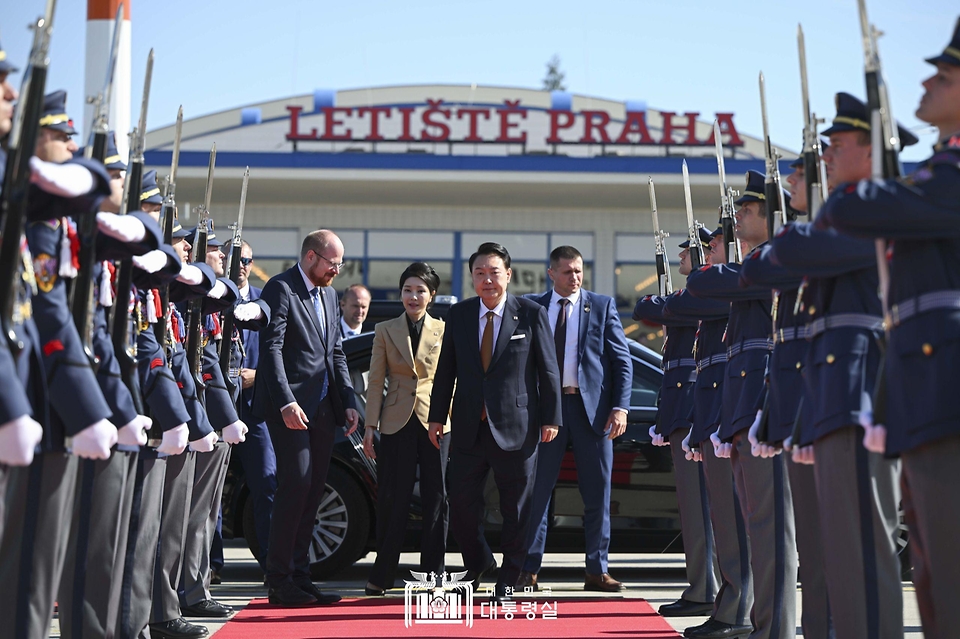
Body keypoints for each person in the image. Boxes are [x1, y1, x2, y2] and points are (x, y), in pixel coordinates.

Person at [824, 20, 960, 637]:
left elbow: (848, 210)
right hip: (920, 395)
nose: (928, 79)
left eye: (947, 74)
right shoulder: (934, 176)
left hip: (944, 394)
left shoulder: (944, 179)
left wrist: (871, 173)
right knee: (933, 576)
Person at [770, 93, 918, 639]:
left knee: (861, 548)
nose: (827, 155)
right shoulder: (848, 215)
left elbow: (786, 254)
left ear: (870, 148)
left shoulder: (869, 215)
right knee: (838, 550)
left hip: (863, 393)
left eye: (837, 145)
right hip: (832, 395)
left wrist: (818, 208)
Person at [686, 171, 798, 639]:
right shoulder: (752, 266)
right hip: (742, 414)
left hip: (765, 411)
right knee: (759, 530)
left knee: (772, 534)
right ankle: (763, 624)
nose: (736, 219)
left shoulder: (773, 263)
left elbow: (699, 284)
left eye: (748, 211)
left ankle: (774, 629)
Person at [428, 242, 561, 602]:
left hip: (518, 428)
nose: (487, 280)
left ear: (508, 275)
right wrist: (436, 417)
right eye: (480, 273)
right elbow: (446, 371)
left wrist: (551, 417)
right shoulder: (460, 315)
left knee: (516, 508)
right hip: (469, 426)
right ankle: (480, 560)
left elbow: (548, 371)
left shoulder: (531, 314)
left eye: (494, 272)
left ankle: (509, 577)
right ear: (472, 277)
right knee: (461, 506)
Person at [252, 229, 359, 607]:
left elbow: (336, 353)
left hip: (324, 411)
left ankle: (301, 576)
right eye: (333, 263)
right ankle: (279, 580)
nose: (337, 270)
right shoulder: (280, 289)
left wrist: (348, 400)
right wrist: (285, 401)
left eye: (340, 264)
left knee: (313, 491)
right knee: (294, 487)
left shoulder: (330, 296)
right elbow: (272, 349)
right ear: (312, 257)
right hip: (290, 410)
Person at [518, 245, 632, 593]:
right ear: (551, 273)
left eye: (579, 271)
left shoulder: (600, 306)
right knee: (538, 494)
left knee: (597, 493)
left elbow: (621, 361)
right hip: (545, 414)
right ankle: (528, 570)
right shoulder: (531, 307)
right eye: (567, 272)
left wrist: (620, 407)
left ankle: (597, 571)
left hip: (592, 414)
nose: (575, 277)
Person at [663, 232, 754, 639]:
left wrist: (711, 267)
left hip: (734, 412)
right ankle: (727, 603)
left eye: (714, 246)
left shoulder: (740, 278)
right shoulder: (731, 279)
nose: (702, 255)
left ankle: (739, 609)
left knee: (741, 525)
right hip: (715, 413)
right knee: (723, 520)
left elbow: (672, 304)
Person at [633, 230, 718, 616]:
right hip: (681, 412)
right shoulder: (691, 296)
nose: (680, 257)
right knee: (693, 509)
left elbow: (647, 308)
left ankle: (709, 589)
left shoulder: (704, 294)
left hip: (695, 412)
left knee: (705, 509)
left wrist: (664, 301)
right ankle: (702, 585)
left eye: (687, 252)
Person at [362, 262, 450, 596]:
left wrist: (446, 416)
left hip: (436, 422)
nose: (413, 297)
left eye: (420, 290)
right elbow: (375, 380)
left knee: (437, 499)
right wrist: (371, 427)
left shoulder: (444, 329)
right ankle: (382, 575)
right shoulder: (384, 329)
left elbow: (450, 380)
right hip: (396, 420)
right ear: (400, 294)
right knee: (391, 499)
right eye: (407, 290)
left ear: (432, 295)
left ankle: (433, 577)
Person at [231, 240, 277, 576]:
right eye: (236, 259)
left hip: (256, 409)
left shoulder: (265, 299)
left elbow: (280, 352)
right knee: (210, 490)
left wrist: (258, 375)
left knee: (266, 482)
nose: (242, 264)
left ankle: (270, 563)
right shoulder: (209, 298)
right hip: (217, 408)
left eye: (247, 259)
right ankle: (211, 566)